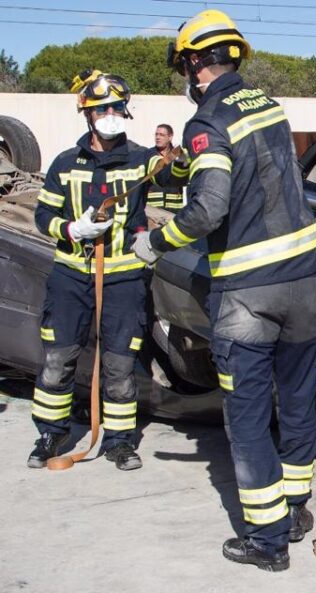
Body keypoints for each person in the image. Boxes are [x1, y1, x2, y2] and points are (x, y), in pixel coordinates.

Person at [132, 9, 316, 572]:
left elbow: (211, 206)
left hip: (249, 292)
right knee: (295, 404)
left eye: (185, 67)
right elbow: (253, 177)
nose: (187, 78)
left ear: (196, 63)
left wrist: (158, 241)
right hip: (305, 283)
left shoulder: (207, 121)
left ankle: (266, 543)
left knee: (244, 418)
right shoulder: (268, 106)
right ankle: (294, 511)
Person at [29, 69, 178, 471]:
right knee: (58, 359)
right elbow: (42, 216)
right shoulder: (65, 163)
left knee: (118, 365)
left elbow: (177, 178)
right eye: (103, 108)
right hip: (71, 276)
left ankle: (118, 441)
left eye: (117, 107)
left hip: (125, 277)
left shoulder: (143, 159)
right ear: (88, 114)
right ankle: (50, 433)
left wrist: (182, 154)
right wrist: (72, 228)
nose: (111, 113)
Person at [146, 123, 186, 210]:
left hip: (174, 208)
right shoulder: (148, 154)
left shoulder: (178, 154)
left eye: (162, 135)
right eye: (156, 134)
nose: (157, 137)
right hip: (153, 209)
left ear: (170, 137)